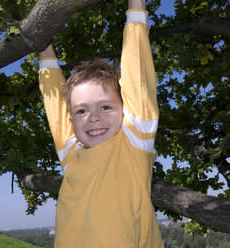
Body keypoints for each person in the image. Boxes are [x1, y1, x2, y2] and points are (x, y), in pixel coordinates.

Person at [38, 0, 164, 247]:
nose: (93, 117)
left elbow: (138, 75)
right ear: (72, 120)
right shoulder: (72, 154)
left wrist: (136, 7)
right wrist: (43, 49)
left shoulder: (133, 144)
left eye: (105, 106)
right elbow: (55, 106)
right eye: (82, 111)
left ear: (125, 109)